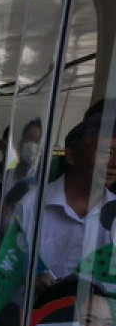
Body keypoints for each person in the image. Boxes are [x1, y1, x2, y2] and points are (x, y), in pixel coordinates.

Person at [16, 113, 116, 280]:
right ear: (71, 155)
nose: (114, 163)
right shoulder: (31, 204)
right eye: (107, 153)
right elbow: (6, 265)